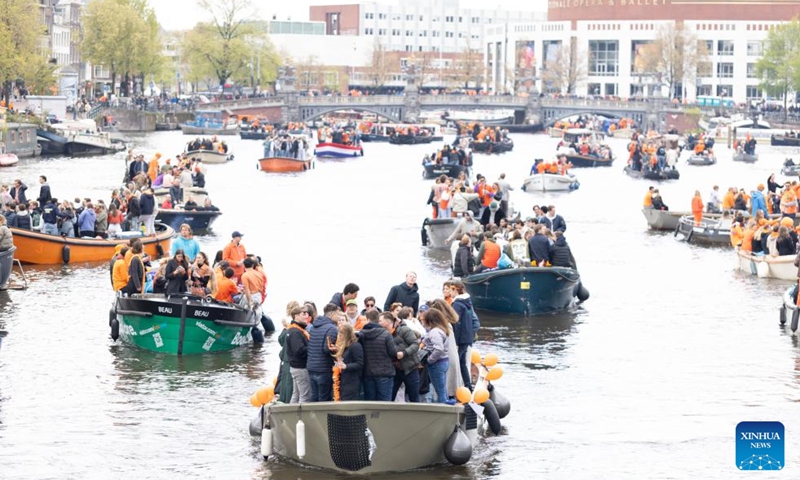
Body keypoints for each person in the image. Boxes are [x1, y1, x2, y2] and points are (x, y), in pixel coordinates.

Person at [360, 311, 399, 401]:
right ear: (378, 320)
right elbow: (393, 353)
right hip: (385, 373)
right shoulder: (386, 334)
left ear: (368, 320)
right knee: (384, 404)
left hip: (368, 373)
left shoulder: (361, 335)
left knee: (370, 402)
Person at [306, 303, 340, 402]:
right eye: (338, 314)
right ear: (332, 314)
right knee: (324, 399)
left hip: (311, 367)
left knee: (314, 397)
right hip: (324, 368)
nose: (339, 317)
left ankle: (311, 416)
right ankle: (322, 417)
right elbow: (327, 349)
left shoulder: (314, 327)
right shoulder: (332, 328)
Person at [449, 280, 477, 391]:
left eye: (451, 289)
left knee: (455, 363)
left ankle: (456, 388)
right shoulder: (467, 302)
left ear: (455, 289)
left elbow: (457, 323)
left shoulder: (457, 304)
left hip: (460, 339)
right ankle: (468, 386)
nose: (450, 292)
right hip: (467, 338)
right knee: (462, 364)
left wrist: (455, 342)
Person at [387, 311, 421, 403]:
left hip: (410, 368)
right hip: (395, 369)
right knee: (390, 396)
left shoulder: (404, 330)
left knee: (414, 397)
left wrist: (404, 353)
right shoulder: (386, 332)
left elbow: (415, 344)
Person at [419, 307, 451, 403]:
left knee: (440, 391)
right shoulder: (442, 329)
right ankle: (446, 403)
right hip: (444, 362)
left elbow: (438, 348)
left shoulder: (435, 332)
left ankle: (443, 409)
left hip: (437, 364)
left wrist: (429, 360)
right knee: (442, 388)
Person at [286, 305, 312, 403]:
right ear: (296, 316)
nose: (306, 316)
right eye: (303, 314)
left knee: (296, 395)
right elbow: (299, 351)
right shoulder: (295, 332)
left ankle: (291, 415)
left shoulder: (295, 330)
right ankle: (301, 417)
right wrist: (313, 347)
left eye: (307, 313)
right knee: (305, 396)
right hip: (300, 368)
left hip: (295, 367)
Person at [333, 322, 363, 401]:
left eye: (341, 334)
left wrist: (346, 366)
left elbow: (360, 364)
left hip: (352, 381)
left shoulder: (355, 346)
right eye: (339, 334)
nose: (339, 336)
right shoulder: (343, 346)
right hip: (343, 380)